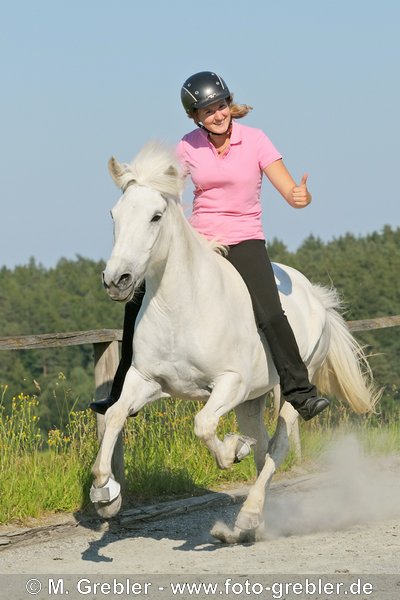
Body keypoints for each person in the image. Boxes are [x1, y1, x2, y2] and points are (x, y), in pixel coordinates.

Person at [90, 71, 329, 421]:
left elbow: (292, 194)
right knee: (137, 301)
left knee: (270, 311)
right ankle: (120, 392)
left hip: (244, 238)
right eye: (208, 111)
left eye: (221, 106)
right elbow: (162, 184)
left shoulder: (257, 140)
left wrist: (300, 197)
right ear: (195, 117)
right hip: (201, 241)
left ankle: (300, 392)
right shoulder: (187, 146)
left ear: (229, 104)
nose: (218, 114)